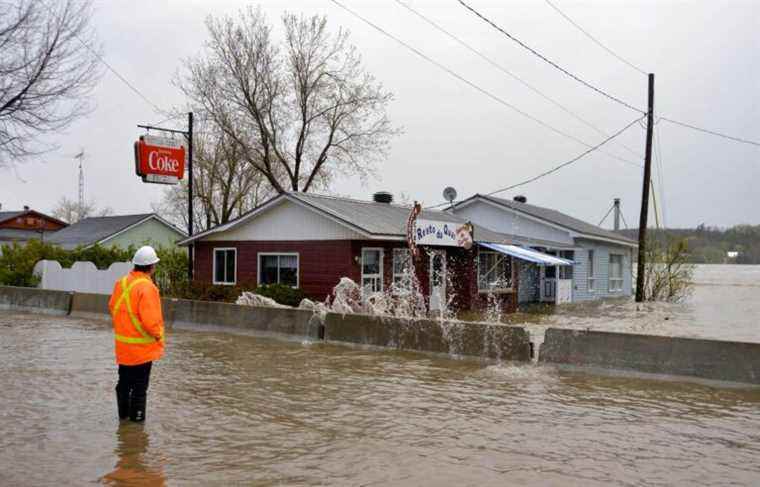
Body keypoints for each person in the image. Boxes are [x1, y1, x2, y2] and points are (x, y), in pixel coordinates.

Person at [108, 245, 165, 422]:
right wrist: (159, 336)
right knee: (140, 389)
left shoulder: (121, 283)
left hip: (124, 348)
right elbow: (152, 322)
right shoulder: (147, 288)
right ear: (152, 266)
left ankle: (123, 422)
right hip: (142, 349)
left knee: (123, 385)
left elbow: (113, 308)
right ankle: (136, 430)